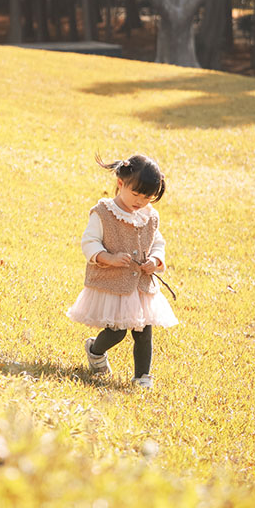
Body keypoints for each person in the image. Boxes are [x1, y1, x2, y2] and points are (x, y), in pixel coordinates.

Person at [67, 153, 178, 388]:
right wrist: (108, 257)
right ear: (120, 183)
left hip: (141, 285)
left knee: (144, 331)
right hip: (113, 283)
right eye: (135, 194)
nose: (140, 201)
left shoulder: (150, 216)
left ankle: (142, 377)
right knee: (117, 332)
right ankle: (95, 350)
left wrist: (156, 260)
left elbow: (157, 242)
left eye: (148, 197)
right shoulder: (104, 212)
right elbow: (90, 242)